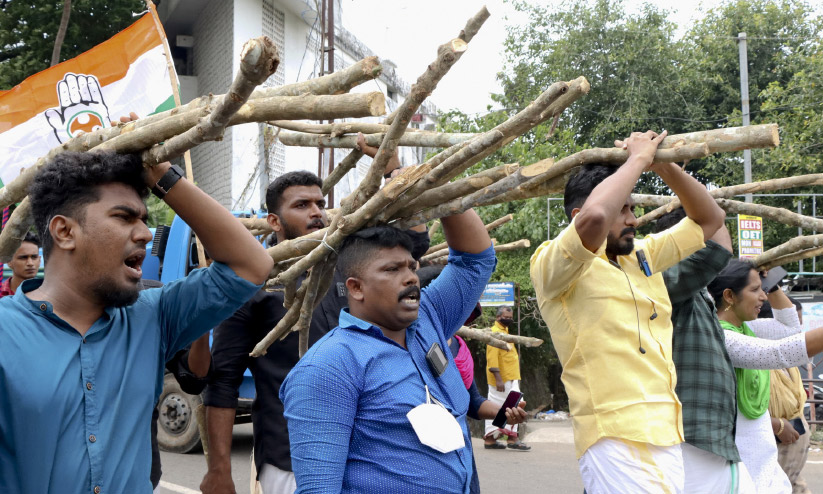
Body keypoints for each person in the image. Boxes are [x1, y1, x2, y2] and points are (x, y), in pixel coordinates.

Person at [0, 150, 273, 494]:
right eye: (124, 217)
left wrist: (161, 175)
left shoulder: (151, 315)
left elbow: (251, 266)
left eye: (143, 219)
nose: (144, 233)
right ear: (64, 231)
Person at [202, 141, 424, 494]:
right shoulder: (251, 285)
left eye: (320, 203)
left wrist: (392, 168)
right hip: (292, 459)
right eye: (302, 205)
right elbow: (222, 382)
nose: (317, 212)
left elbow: (414, 240)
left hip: (367, 451)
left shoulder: (349, 270)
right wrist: (219, 470)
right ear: (274, 220)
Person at [530, 130, 726, 493]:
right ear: (576, 214)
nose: (633, 218)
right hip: (612, 435)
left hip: (667, 430)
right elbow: (594, 218)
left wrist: (663, 166)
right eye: (623, 209)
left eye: (632, 207)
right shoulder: (552, 264)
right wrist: (636, 159)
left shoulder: (643, 255)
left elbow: (710, 220)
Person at [280, 210, 498, 493]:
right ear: (356, 288)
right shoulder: (329, 366)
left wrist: (437, 189)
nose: (410, 278)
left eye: (411, 267)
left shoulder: (429, 319)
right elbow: (319, 489)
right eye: (392, 270)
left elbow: (475, 261)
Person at [708, 260, 814, 493]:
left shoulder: (749, 328)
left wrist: (772, 284)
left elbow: (791, 328)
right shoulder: (720, 336)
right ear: (729, 295)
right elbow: (779, 353)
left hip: (761, 454)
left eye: (762, 288)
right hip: (738, 456)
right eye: (755, 290)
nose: (763, 297)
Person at [761, 297, 812, 494]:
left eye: (798, 322)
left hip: (795, 441)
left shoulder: (787, 355)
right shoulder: (752, 356)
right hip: (774, 441)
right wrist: (779, 425)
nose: (796, 329)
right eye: (791, 323)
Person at [484, 305, 530, 451]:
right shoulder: (495, 332)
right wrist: (498, 378)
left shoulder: (505, 331)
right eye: (506, 317)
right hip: (502, 380)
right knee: (515, 405)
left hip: (510, 378)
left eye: (510, 318)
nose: (508, 319)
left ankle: (490, 439)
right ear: (498, 317)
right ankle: (512, 438)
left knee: (499, 407)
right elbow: (492, 358)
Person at [0, 232, 40, 297]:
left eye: (34, 257)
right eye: (23, 258)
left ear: (39, 260)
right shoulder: (1, 295)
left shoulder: (51, 295)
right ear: (9, 261)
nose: (30, 263)